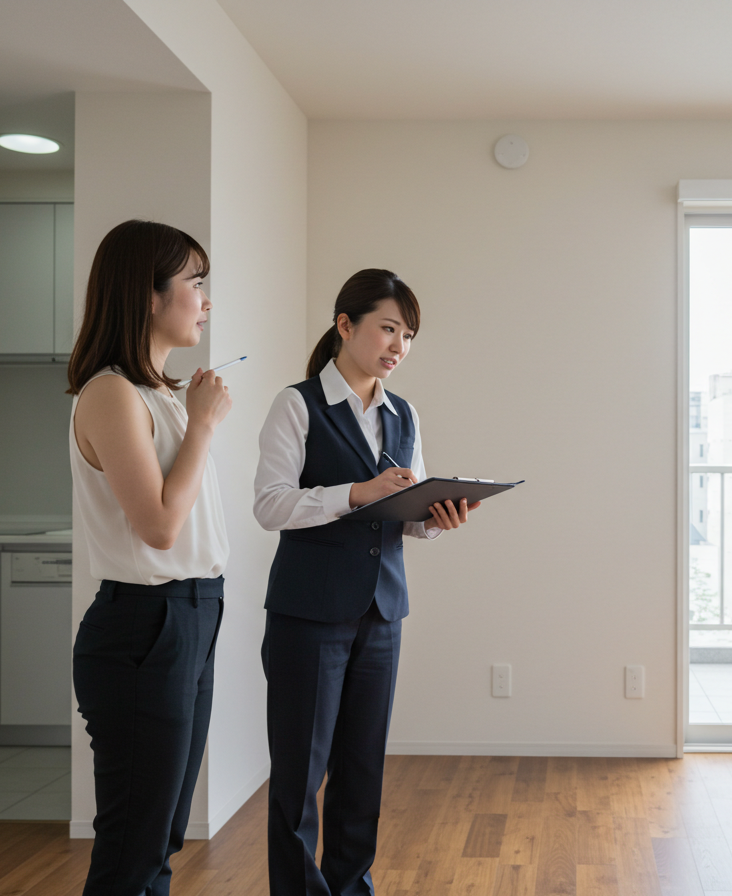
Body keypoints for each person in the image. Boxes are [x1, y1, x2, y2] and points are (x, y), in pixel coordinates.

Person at [254, 268, 477, 895]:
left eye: (407, 335)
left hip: (381, 613)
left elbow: (403, 512)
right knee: (300, 776)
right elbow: (270, 505)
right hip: (307, 616)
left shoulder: (402, 413)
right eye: (387, 328)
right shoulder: (296, 404)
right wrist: (356, 492)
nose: (398, 346)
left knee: (361, 773)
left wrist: (437, 517)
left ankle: (352, 888)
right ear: (344, 325)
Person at [67, 220, 232, 896]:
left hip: (193, 616)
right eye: (195, 283)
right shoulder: (111, 394)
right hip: (146, 625)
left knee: (159, 838)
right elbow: (161, 525)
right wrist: (202, 426)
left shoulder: (161, 392)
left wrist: (193, 417)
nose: (205, 300)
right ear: (148, 295)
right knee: (134, 847)